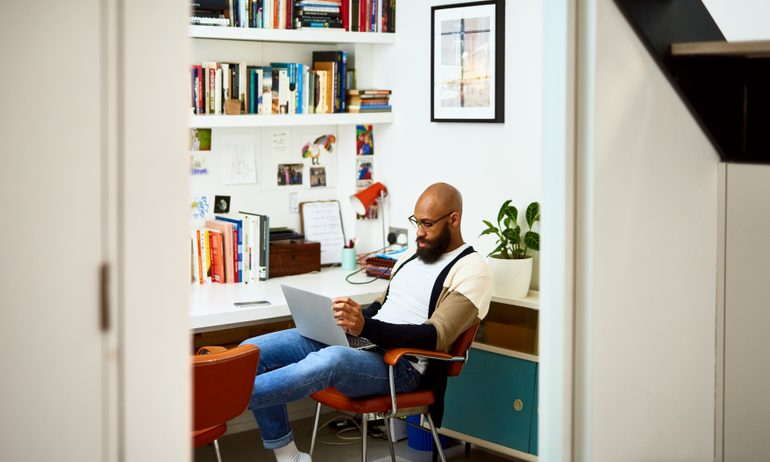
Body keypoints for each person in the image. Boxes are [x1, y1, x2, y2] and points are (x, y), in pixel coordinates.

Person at [240, 183, 492, 462]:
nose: (419, 232)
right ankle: (289, 456)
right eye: (416, 222)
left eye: (427, 224)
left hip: (402, 367)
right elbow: (382, 306)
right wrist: (349, 320)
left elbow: (435, 336)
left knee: (333, 359)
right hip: (366, 344)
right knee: (252, 351)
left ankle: (221, 402)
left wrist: (365, 327)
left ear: (454, 219)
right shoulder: (410, 257)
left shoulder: (472, 271)